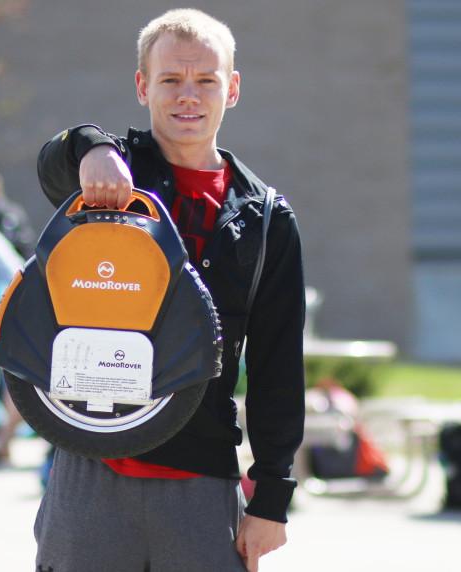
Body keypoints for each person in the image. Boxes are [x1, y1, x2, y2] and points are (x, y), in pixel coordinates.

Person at [33, 9, 305, 571]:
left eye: (206, 80)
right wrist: (90, 146)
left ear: (231, 90)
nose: (189, 96)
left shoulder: (266, 218)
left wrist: (271, 500)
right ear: (142, 86)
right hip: (92, 471)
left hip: (201, 486)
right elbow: (52, 162)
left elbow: (279, 364)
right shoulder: (109, 181)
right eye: (170, 80)